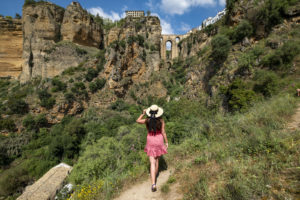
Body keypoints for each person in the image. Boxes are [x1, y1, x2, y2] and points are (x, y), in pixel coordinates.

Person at [136, 104, 168, 192]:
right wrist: (166, 142)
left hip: (150, 140)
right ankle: (156, 175)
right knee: (157, 159)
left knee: (152, 162)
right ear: (158, 113)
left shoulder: (147, 120)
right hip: (159, 140)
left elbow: (137, 120)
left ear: (149, 112)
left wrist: (143, 113)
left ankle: (153, 183)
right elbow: (163, 132)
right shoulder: (161, 121)